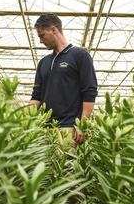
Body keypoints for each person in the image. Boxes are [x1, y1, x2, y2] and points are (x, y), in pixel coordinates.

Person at [29, 14, 98, 145]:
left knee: (66, 165)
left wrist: (82, 125)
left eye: (42, 35)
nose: (40, 41)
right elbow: (36, 96)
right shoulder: (43, 62)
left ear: (53, 30)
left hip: (69, 129)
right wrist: (25, 120)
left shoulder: (80, 55)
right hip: (44, 130)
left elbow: (89, 92)